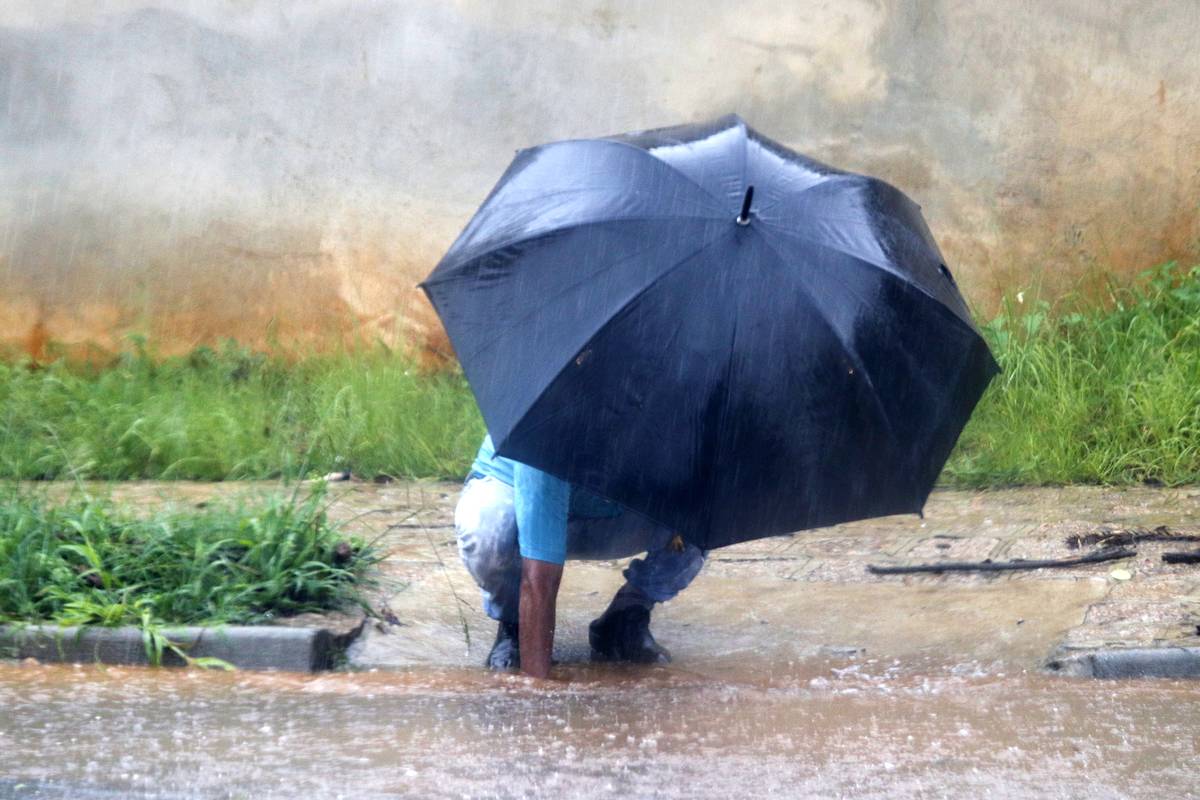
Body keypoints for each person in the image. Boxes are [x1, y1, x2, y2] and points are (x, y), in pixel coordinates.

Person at [454, 434, 706, 678]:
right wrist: (534, 686)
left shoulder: (678, 415)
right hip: (513, 495)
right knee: (490, 530)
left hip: (616, 509)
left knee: (706, 508)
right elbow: (540, 574)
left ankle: (625, 617)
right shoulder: (554, 421)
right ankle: (515, 626)